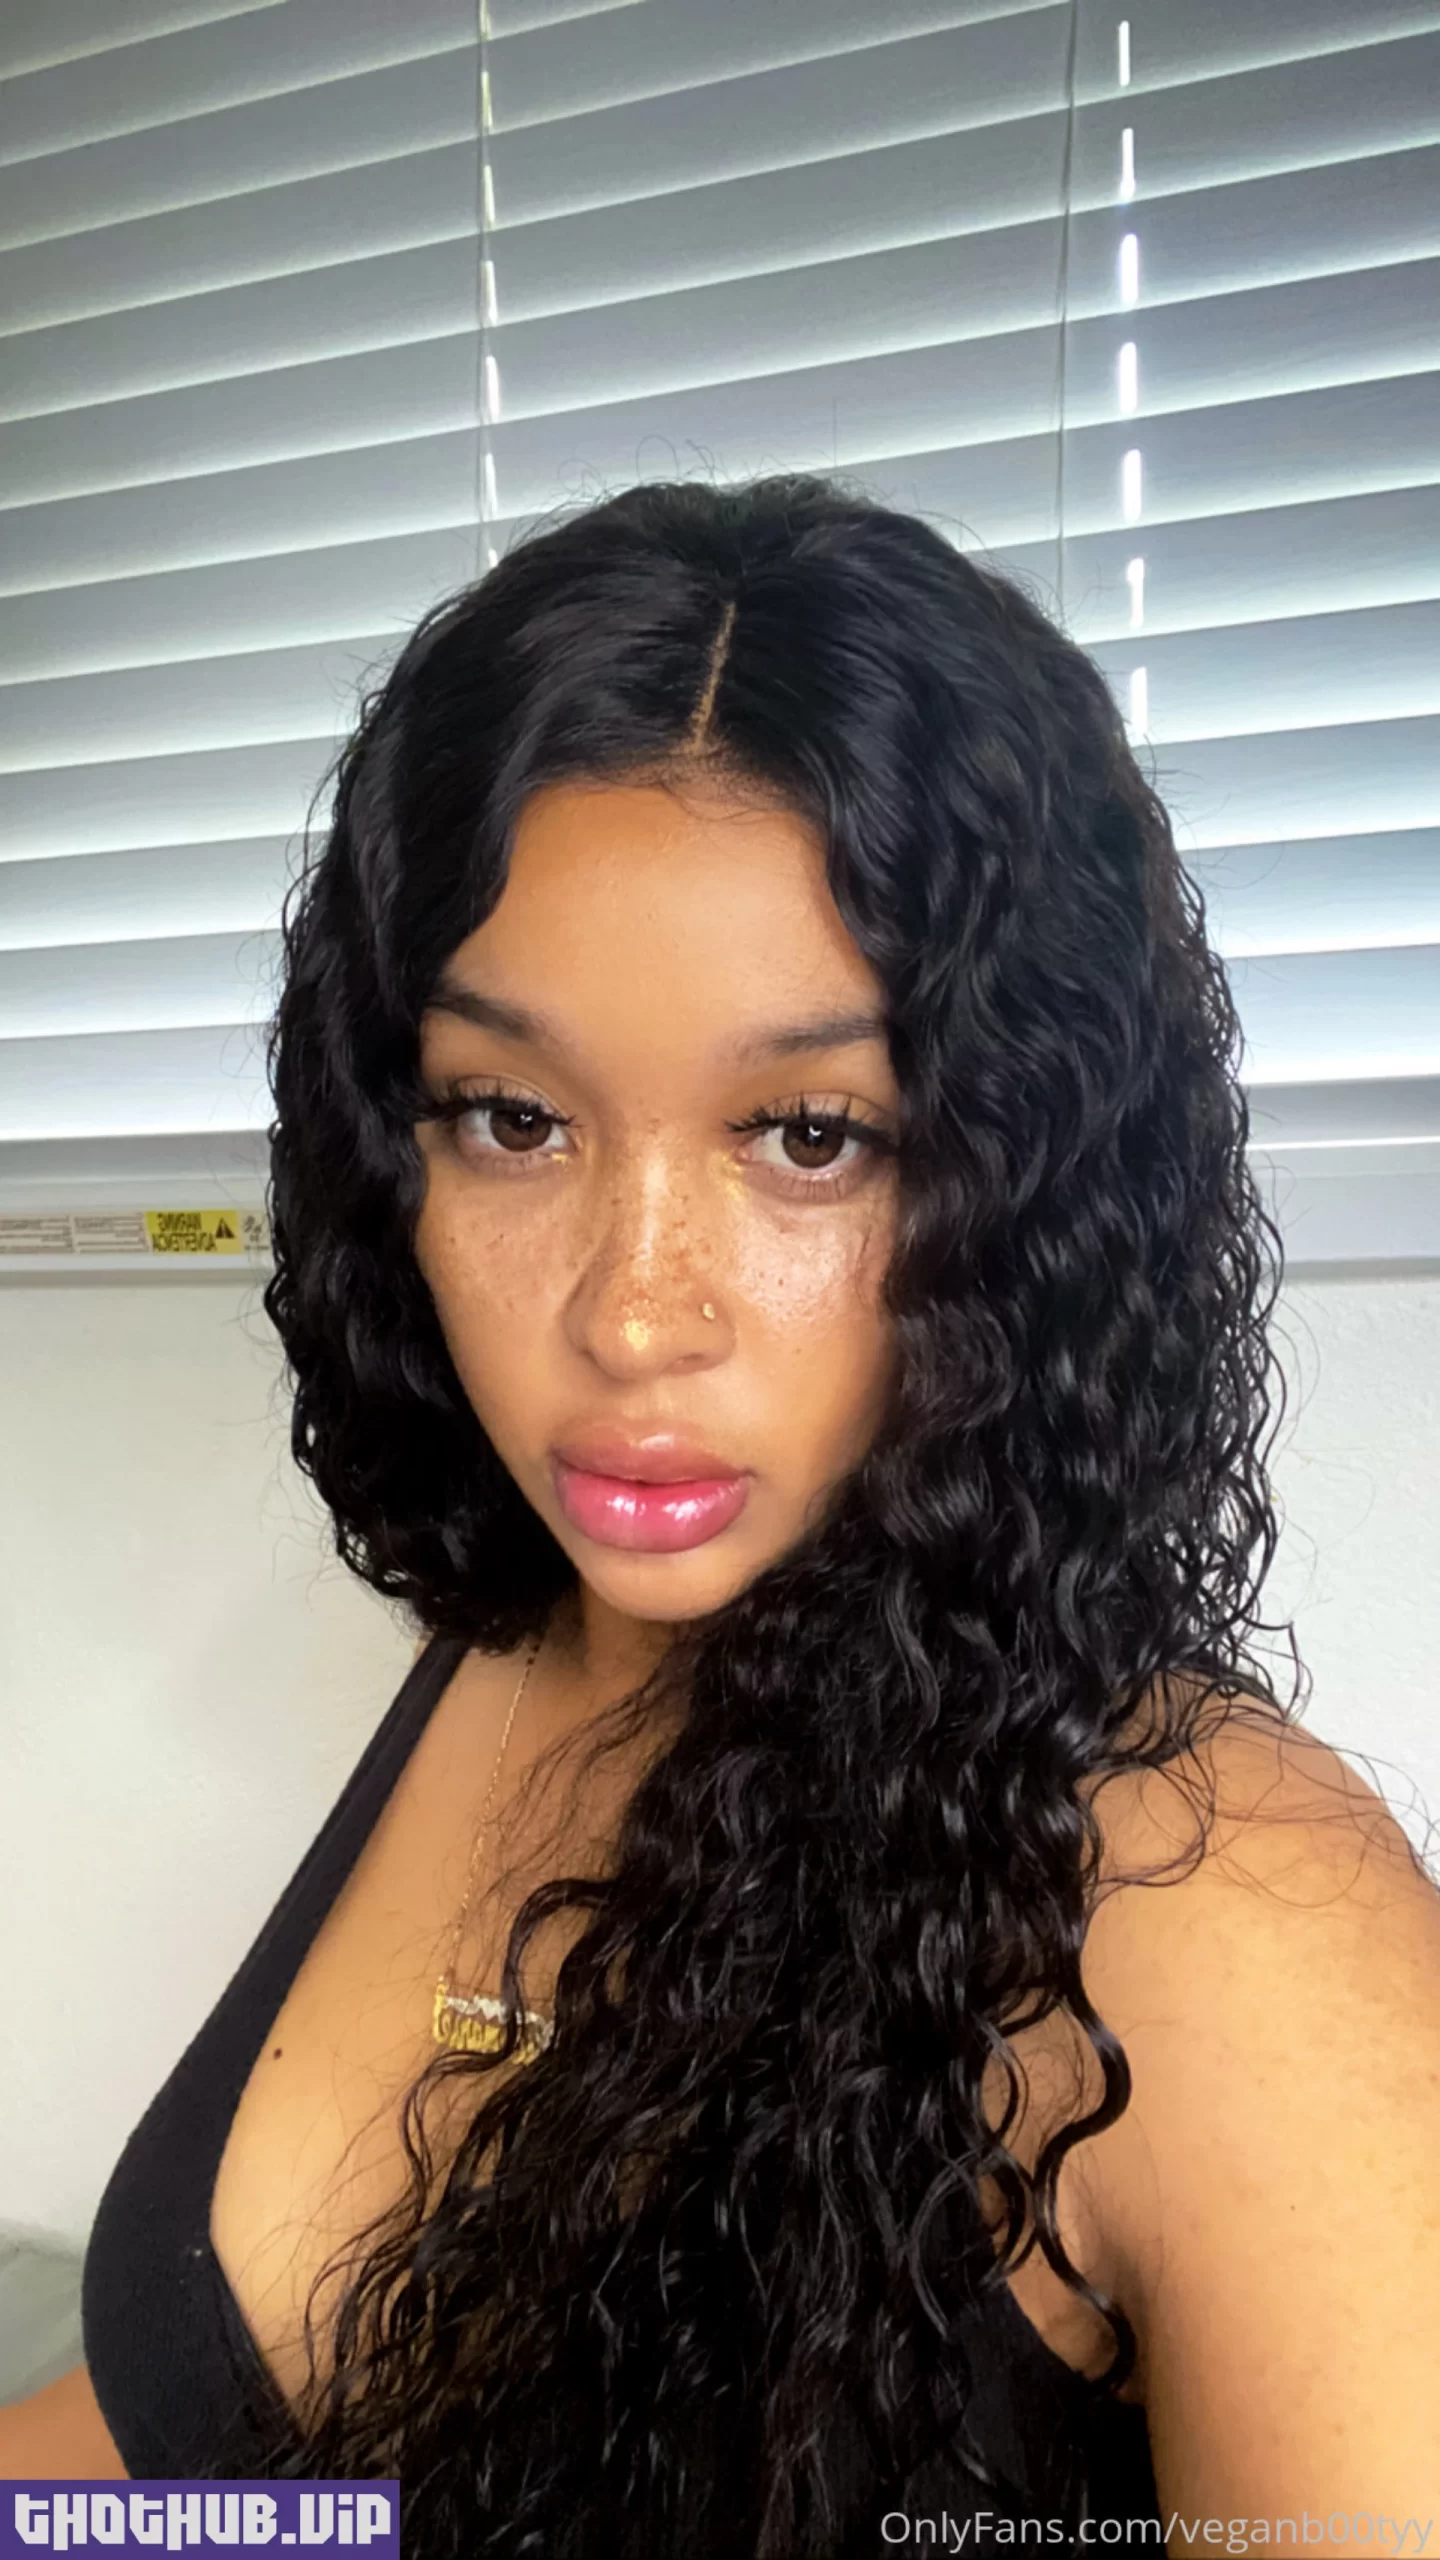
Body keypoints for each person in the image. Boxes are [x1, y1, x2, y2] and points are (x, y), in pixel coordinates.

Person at [4, 477, 1437, 2552]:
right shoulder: (520, 1641)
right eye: (515, 1117)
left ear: (1025, 1181)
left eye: (808, 1135)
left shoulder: (1229, 1919)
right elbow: (261, 2479)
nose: (629, 1310)